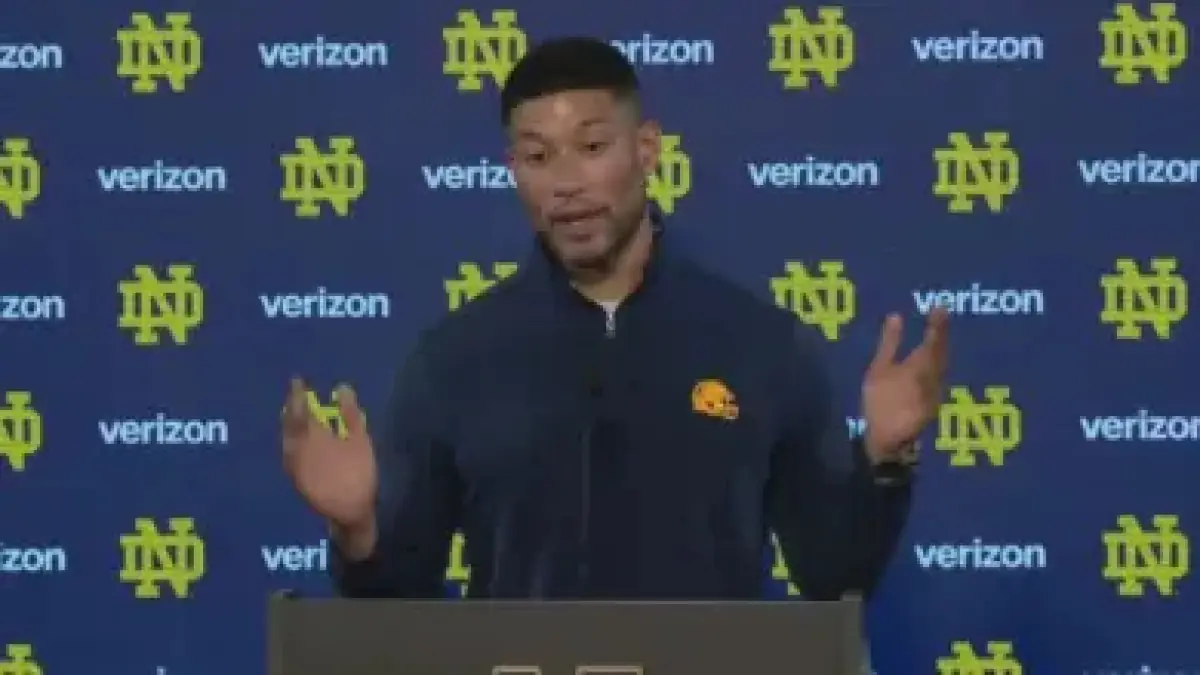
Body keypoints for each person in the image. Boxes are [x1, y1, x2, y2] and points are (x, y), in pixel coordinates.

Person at [281, 36, 949, 600]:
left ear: (647, 150)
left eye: (592, 147)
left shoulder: (761, 345)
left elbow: (832, 576)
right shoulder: (453, 361)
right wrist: (358, 532)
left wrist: (885, 459)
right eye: (538, 157)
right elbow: (399, 603)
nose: (566, 182)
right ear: (513, 171)